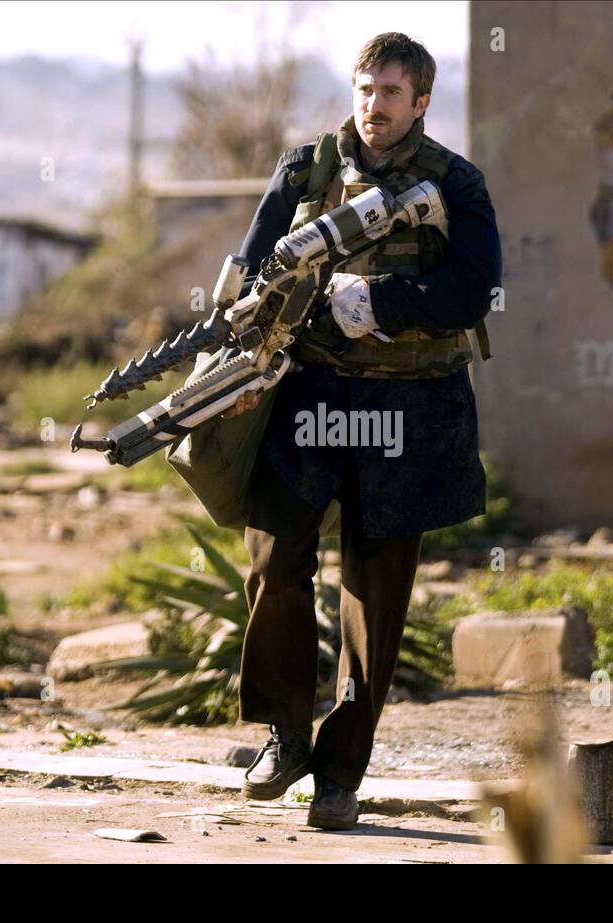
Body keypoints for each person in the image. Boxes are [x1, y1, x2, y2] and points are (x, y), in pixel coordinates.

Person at [229, 32, 501, 830]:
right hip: (308, 395)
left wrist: (385, 304)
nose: (373, 106)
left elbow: (474, 289)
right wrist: (269, 309)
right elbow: (250, 277)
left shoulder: (458, 184)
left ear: (420, 101)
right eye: (363, 89)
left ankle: (340, 774)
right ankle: (284, 733)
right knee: (275, 563)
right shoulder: (303, 172)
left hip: (407, 410)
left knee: (375, 597)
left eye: (390, 92)